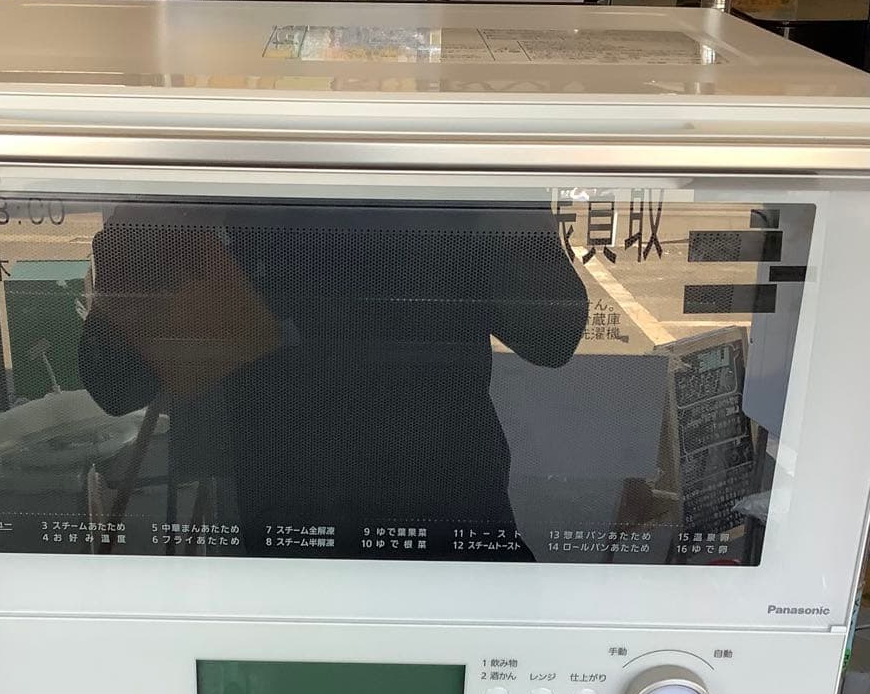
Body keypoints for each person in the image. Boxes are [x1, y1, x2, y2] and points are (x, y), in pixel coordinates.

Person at [79, 201, 588, 559]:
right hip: (370, 520)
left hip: (398, 520)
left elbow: (551, 337)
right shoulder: (215, 177)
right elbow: (115, 380)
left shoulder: (221, 174)